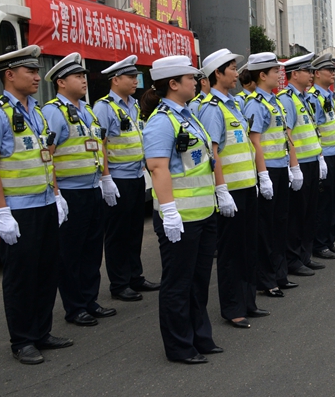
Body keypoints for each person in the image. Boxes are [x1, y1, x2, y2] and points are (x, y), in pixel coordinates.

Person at [0, 46, 72, 365]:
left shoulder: (36, 112)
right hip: (18, 211)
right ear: (10, 75)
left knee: (46, 270)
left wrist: (56, 194)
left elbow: (45, 159)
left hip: (45, 204)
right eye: (31, 72)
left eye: (37, 71)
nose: (38, 77)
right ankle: (22, 340)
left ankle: (41, 332)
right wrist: (3, 212)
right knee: (21, 276)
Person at [141, 55, 222, 364]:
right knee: (178, 283)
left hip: (203, 213)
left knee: (199, 281)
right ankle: (179, 346)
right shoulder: (162, 121)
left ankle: (201, 337)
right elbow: (158, 169)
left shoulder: (188, 115)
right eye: (190, 78)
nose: (197, 81)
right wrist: (170, 212)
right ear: (173, 84)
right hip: (181, 219)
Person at [42, 53, 116, 326]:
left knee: (92, 250)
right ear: (61, 82)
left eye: (83, 76)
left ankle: (89, 300)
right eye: (77, 77)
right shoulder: (53, 111)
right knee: (70, 253)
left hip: (92, 189)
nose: (84, 80)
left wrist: (106, 179)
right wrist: (56, 193)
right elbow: (46, 155)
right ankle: (75, 307)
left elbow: (100, 146)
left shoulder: (87, 111)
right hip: (70, 193)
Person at [197, 49, 269, 328]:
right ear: (218, 73)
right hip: (232, 193)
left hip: (247, 187)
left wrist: (260, 178)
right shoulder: (212, 109)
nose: (237, 73)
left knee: (248, 248)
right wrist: (221, 190)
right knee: (231, 252)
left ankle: (248, 301)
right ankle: (232, 307)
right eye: (231, 68)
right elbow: (213, 153)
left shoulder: (233, 105)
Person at [94, 55, 160, 303]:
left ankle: (135, 276)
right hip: (117, 179)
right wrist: (106, 178)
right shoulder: (103, 107)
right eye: (131, 77)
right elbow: (100, 144)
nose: (136, 81)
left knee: (134, 231)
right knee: (117, 233)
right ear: (116, 80)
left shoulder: (133, 105)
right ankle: (119, 283)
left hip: (135, 176)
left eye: (136, 77)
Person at [242, 53, 298, 297]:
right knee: (265, 227)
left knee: (280, 223)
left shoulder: (274, 101)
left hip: (280, 167)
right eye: (275, 71)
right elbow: (255, 142)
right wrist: (263, 175)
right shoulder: (255, 104)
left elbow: (283, 137)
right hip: (267, 171)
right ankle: (266, 279)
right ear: (262, 75)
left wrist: (290, 166)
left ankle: (279, 273)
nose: (279, 75)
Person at [277, 53, 326, 277]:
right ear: (294, 74)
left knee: (309, 213)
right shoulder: (288, 98)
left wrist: (321, 157)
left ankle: (305, 256)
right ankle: (293, 259)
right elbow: (287, 135)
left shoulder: (306, 97)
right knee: (297, 214)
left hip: (312, 161)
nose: (311, 75)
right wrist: (293, 167)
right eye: (307, 71)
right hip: (300, 165)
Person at [308, 54, 335, 259]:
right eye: (329, 70)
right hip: (323, 156)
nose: (333, 73)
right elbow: (314, 128)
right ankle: (319, 243)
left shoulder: (328, 96)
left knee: (333, 202)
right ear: (316, 74)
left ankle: (329, 240)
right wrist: (322, 156)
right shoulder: (314, 97)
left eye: (334, 70)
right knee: (322, 203)